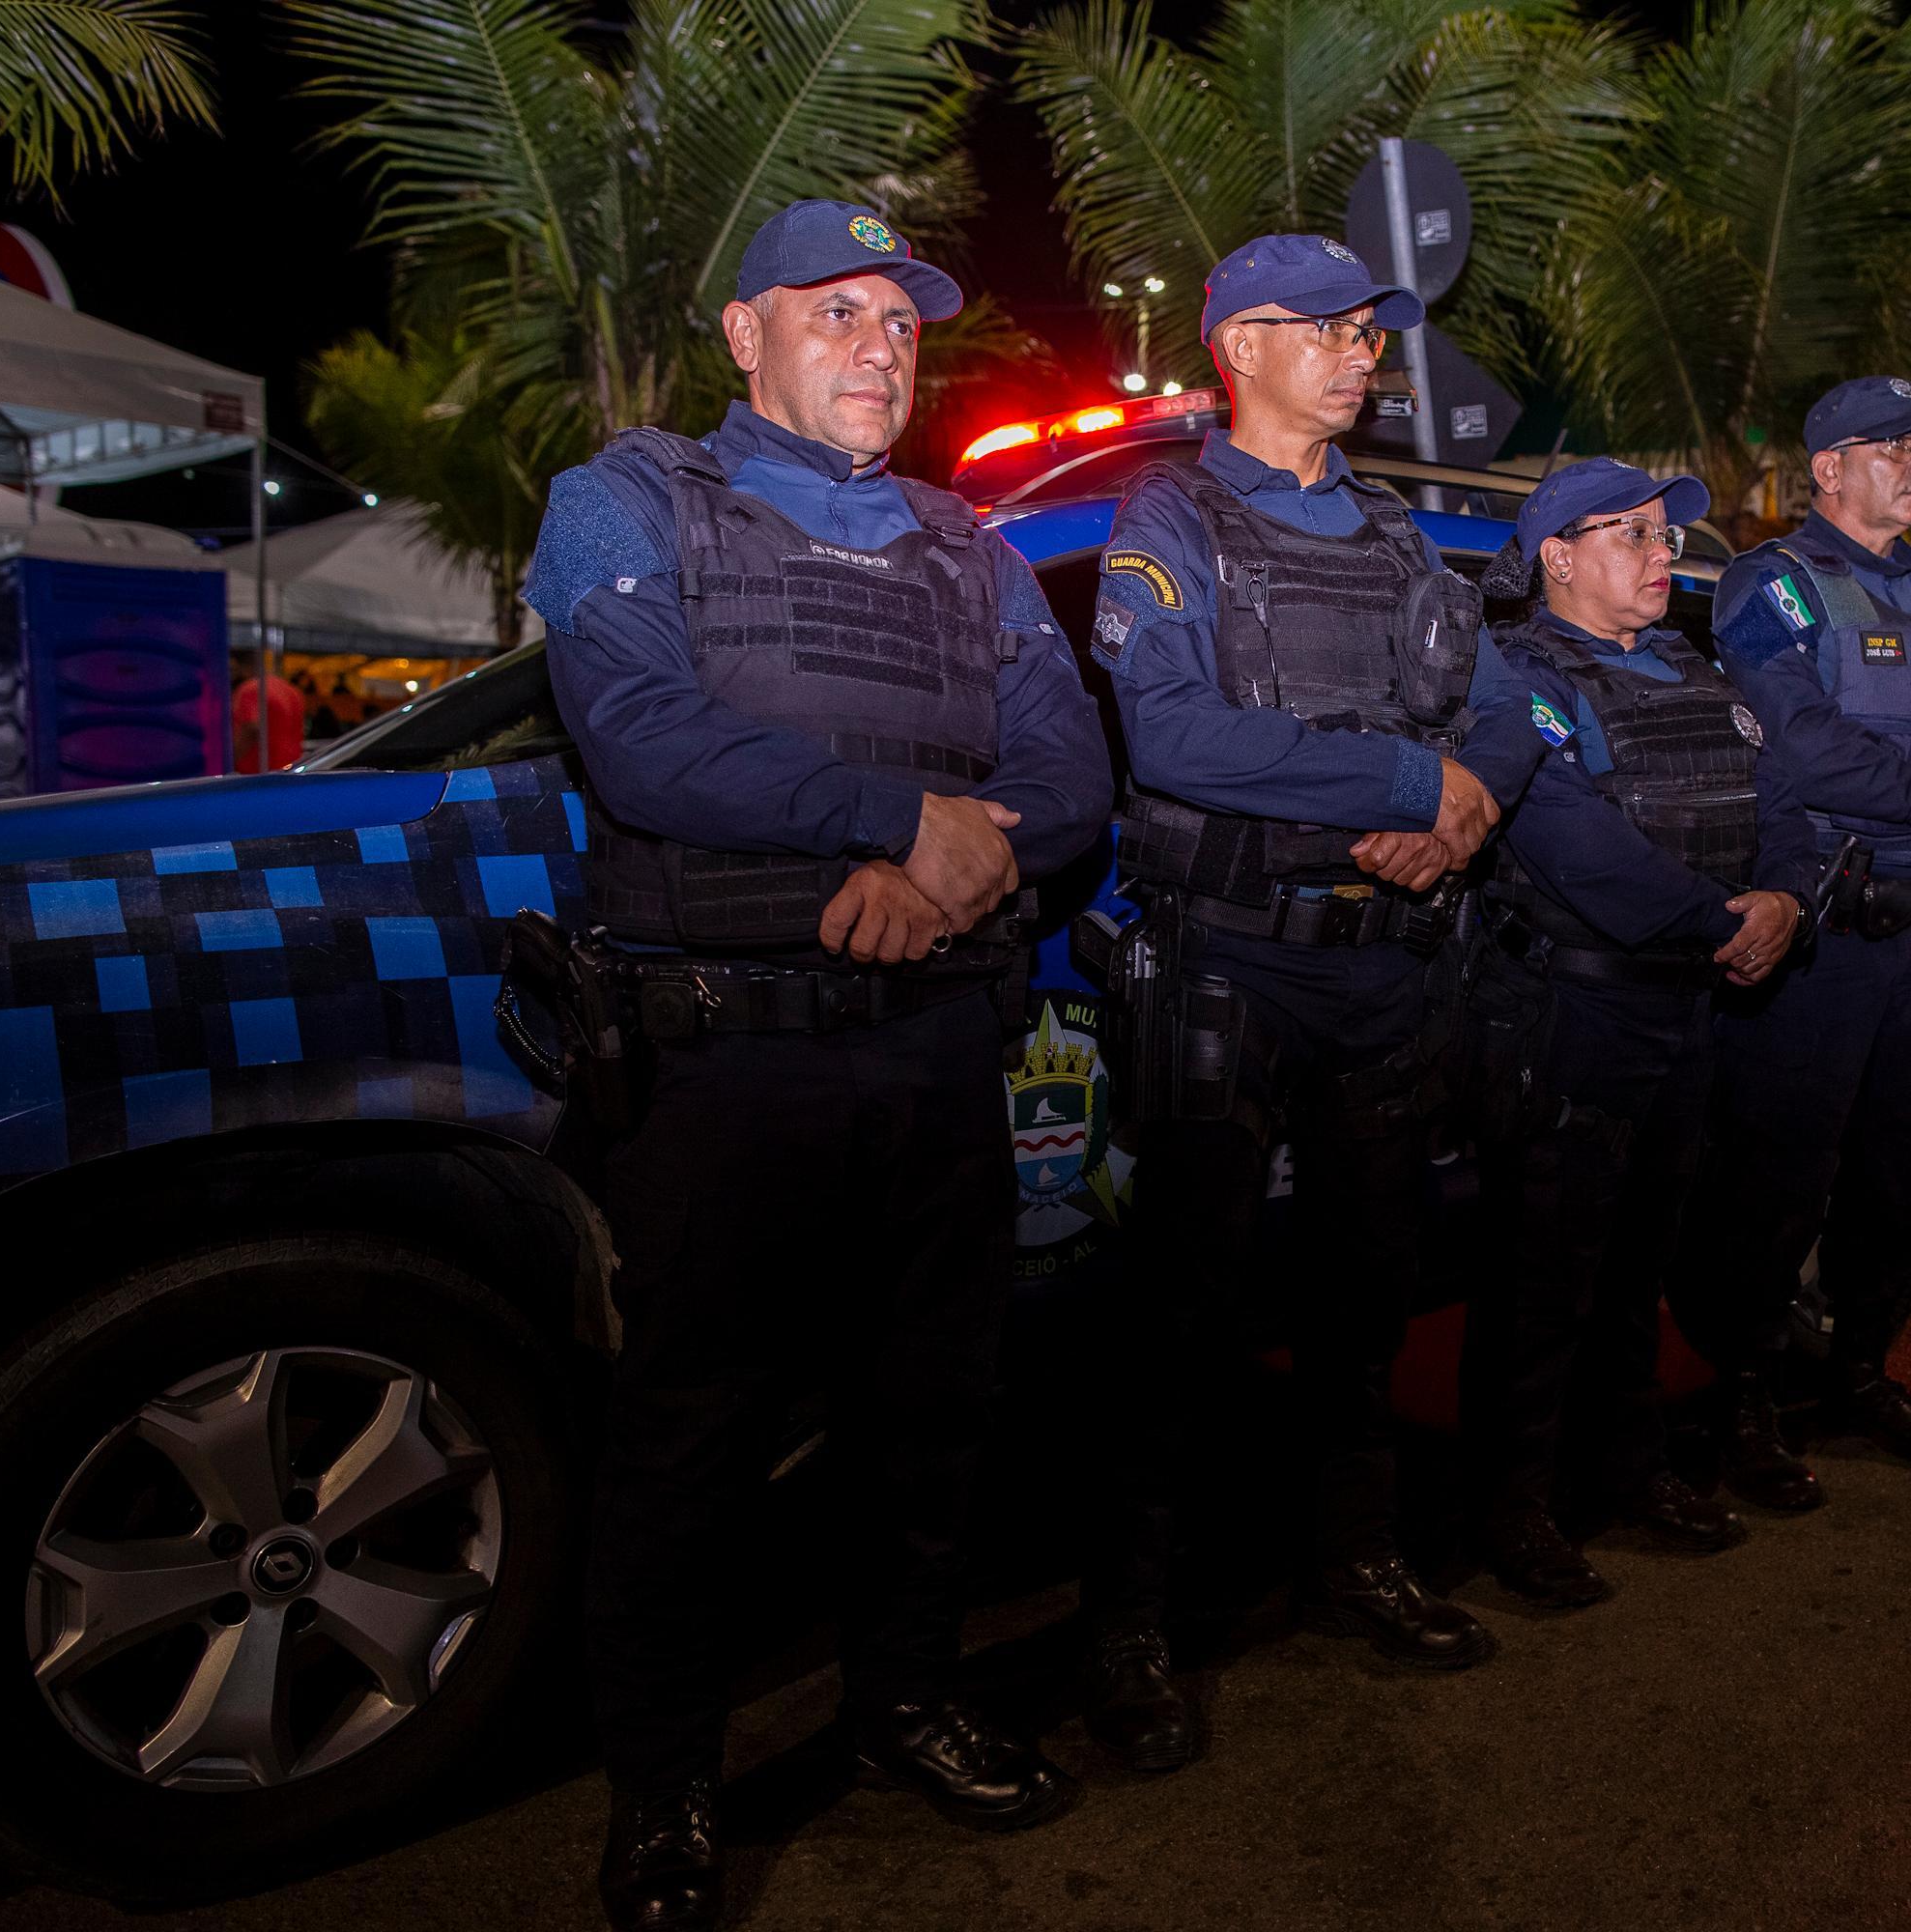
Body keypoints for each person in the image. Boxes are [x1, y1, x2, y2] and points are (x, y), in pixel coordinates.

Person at [524, 200, 1110, 1932]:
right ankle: (667, 1795)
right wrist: (894, 822)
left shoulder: (971, 546)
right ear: (744, 334)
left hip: (934, 1051)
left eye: (902, 322)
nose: (879, 345)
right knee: (689, 1449)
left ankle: (904, 1701)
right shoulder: (626, 500)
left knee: (930, 1424)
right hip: (728, 1066)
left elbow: (1070, 772)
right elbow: (641, 739)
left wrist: (947, 859)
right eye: (836, 312)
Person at [1078, 233, 1541, 1768]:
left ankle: (1356, 1563)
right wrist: (1414, 777)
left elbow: (1498, 703)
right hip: (1233, 948)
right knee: (1183, 1314)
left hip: (1385, 963)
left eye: (1368, 332)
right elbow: (1178, 738)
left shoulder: (1401, 534)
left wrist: (1465, 792)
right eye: (1333, 331)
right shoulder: (1174, 511)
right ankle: (1133, 1625)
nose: (1363, 355)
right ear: (1241, 345)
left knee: (1364, 1295)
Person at [1670, 377, 1911, 1486]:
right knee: (1778, 1176)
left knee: (1900, 1171)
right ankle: (1740, 1396)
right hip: (1819, 929)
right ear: (1827, 468)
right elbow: (1800, 743)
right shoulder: (1772, 584)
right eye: (1892, 446)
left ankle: (1862, 1369)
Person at [1456, 458, 1817, 1611]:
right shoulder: (1514, 678)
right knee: (1541, 1276)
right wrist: (1731, 920)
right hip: (1579, 1006)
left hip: (1688, 1005)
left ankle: (1629, 1468)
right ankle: (1513, 1507)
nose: (1666, 556)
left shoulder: (1695, 672)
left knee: (1639, 1268)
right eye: (1635, 535)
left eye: (1668, 536)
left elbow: (1787, 808)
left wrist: (1789, 899)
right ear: (1557, 554)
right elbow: (1573, 847)